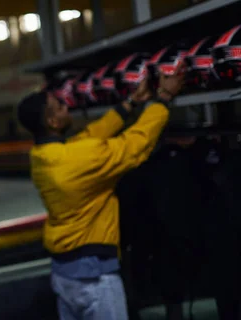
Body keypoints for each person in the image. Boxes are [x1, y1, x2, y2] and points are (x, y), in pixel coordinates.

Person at [16, 68, 185, 320]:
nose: (65, 106)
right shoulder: (78, 160)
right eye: (59, 106)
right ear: (52, 122)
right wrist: (163, 99)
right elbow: (134, 145)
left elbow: (90, 136)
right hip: (94, 278)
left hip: (65, 275)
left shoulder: (43, 156)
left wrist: (130, 104)